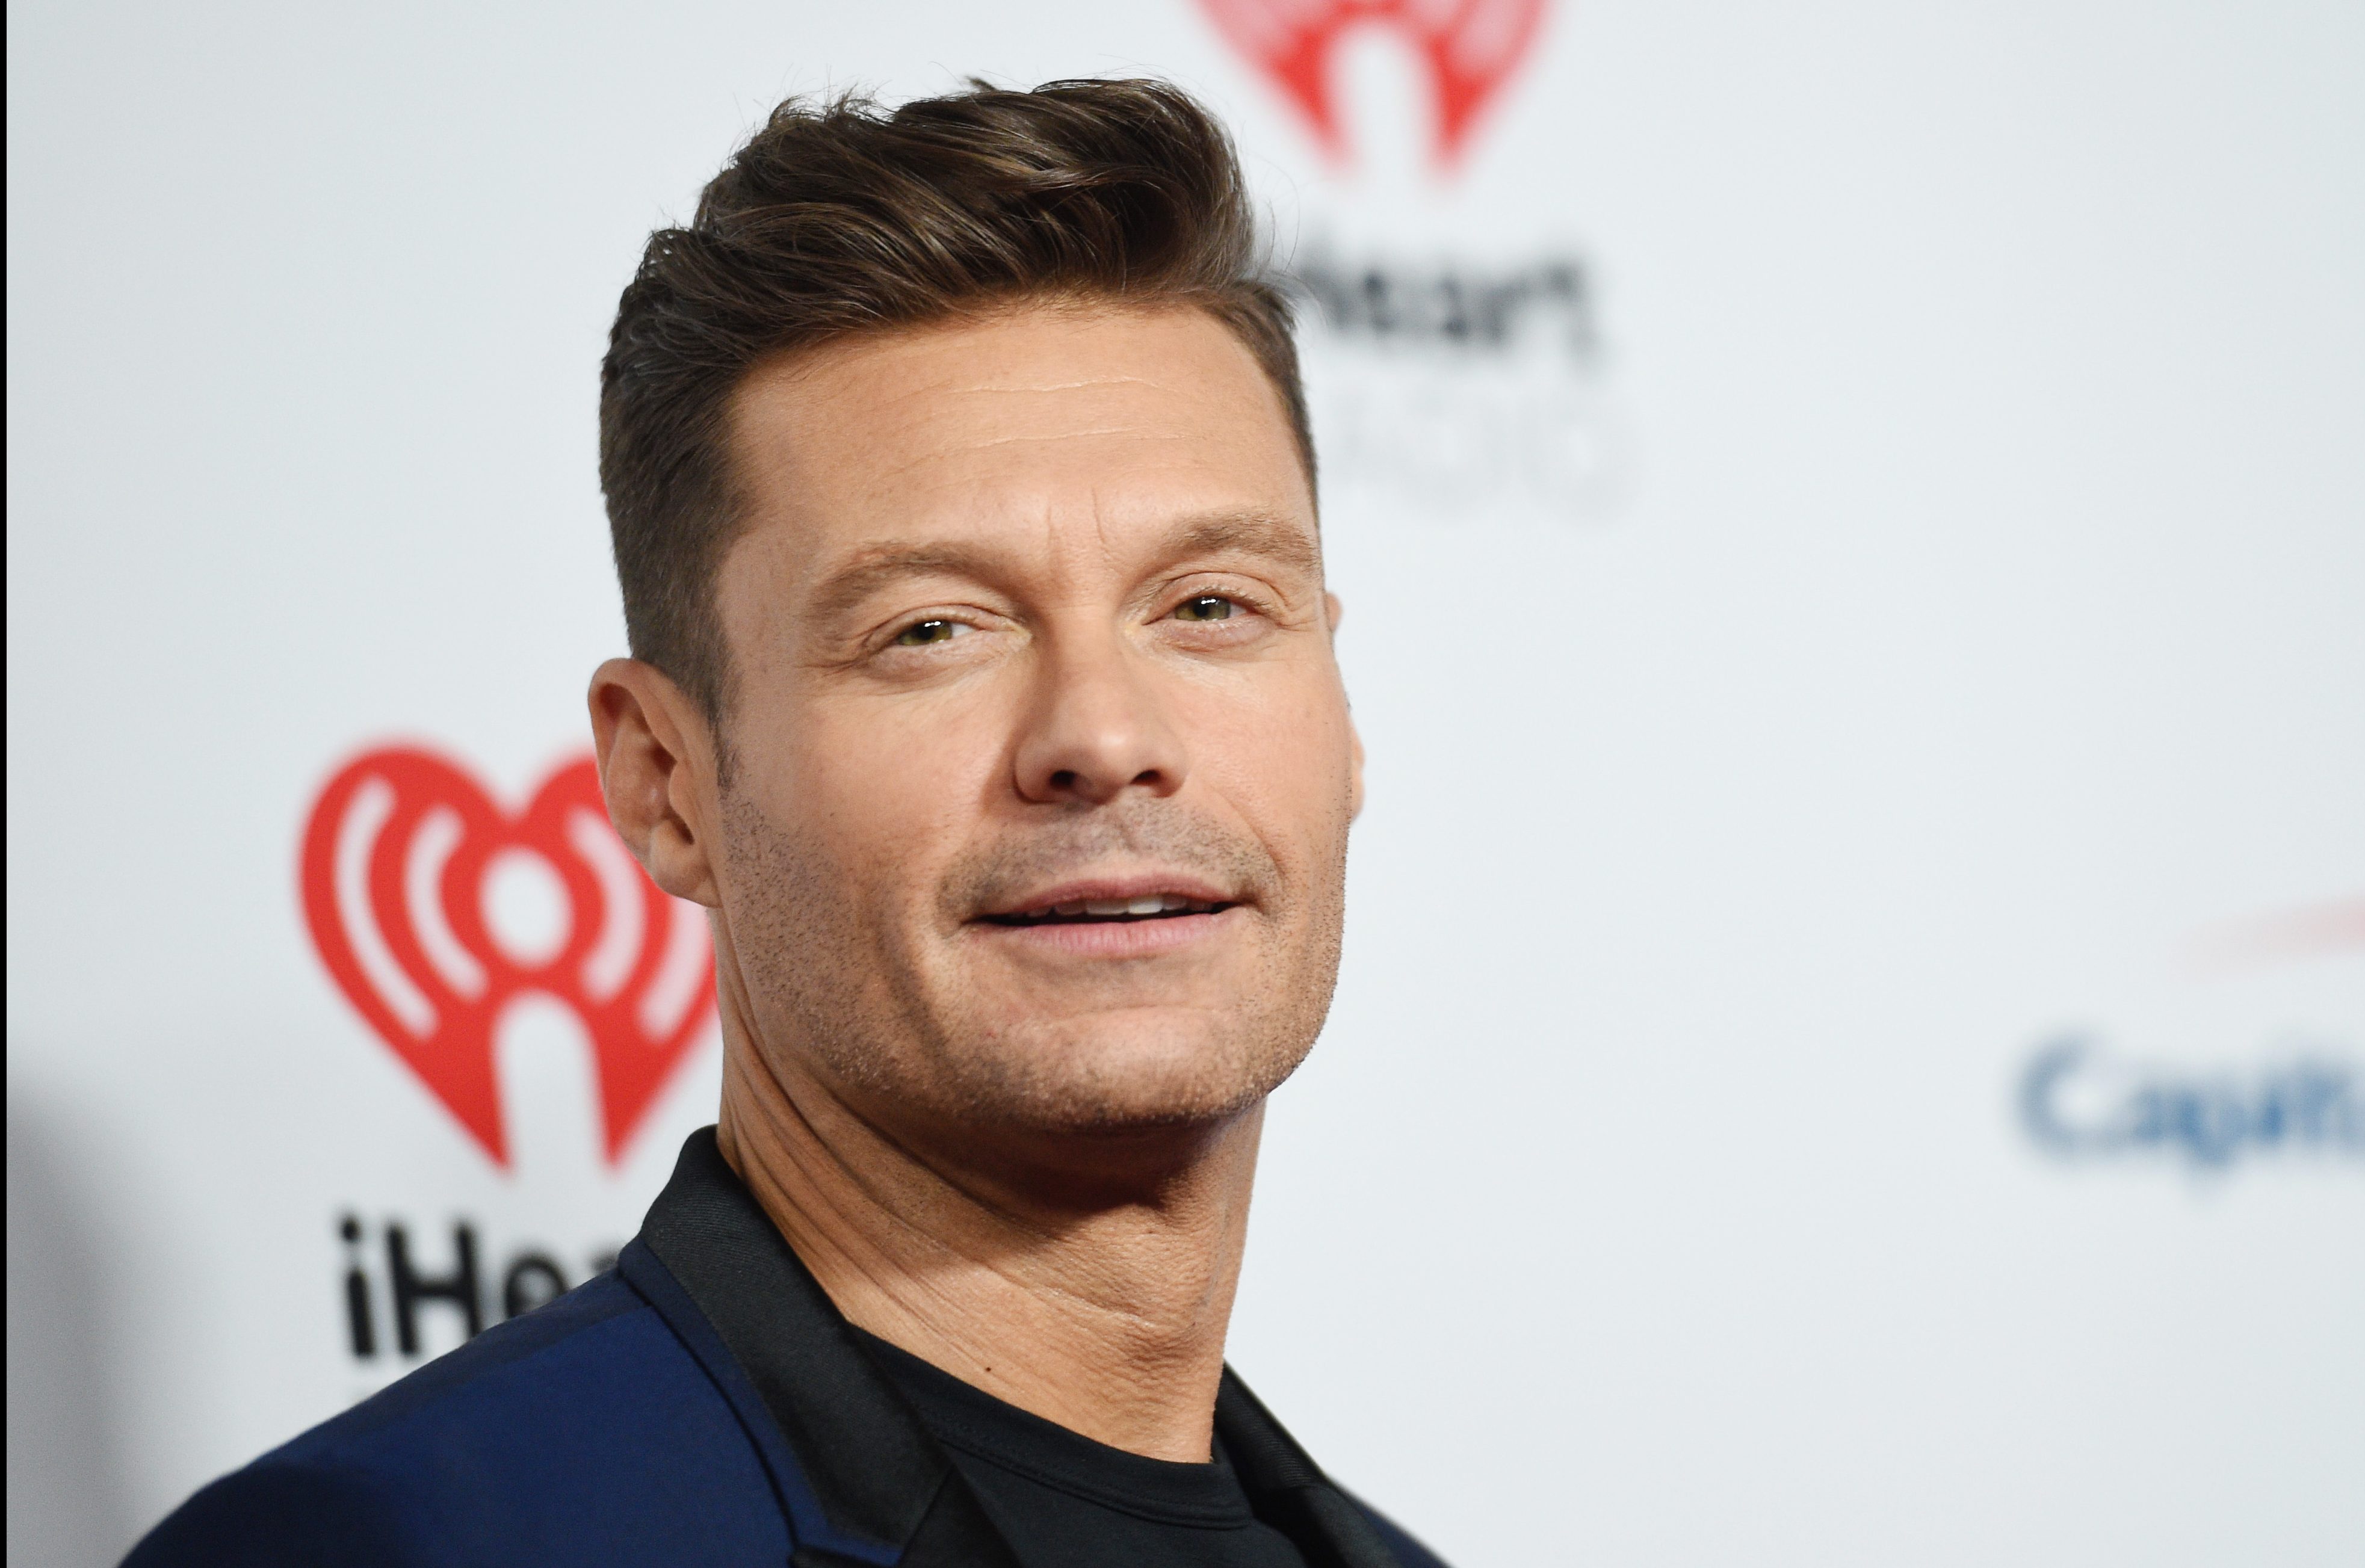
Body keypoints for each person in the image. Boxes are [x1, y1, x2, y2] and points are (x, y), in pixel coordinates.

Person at [127, 78, 1444, 1568]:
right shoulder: (412, 1543)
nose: (1105, 737)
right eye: (932, 629)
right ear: (666, 782)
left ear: (1341, 711)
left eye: (1210, 606)